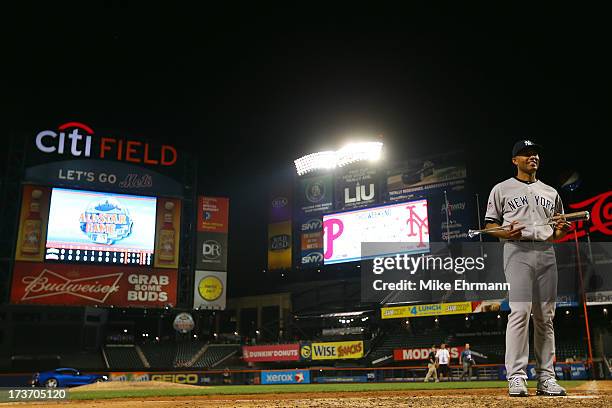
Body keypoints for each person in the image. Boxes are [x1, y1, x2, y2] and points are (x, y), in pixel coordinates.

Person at [484, 140, 571, 397]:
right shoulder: (501, 189)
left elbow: (555, 231)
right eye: (525, 154)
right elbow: (490, 226)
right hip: (517, 250)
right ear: (515, 161)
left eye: (534, 153)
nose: (532, 157)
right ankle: (517, 376)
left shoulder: (551, 192)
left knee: (546, 316)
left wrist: (560, 231)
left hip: (546, 251)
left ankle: (546, 378)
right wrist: (503, 231)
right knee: (520, 312)